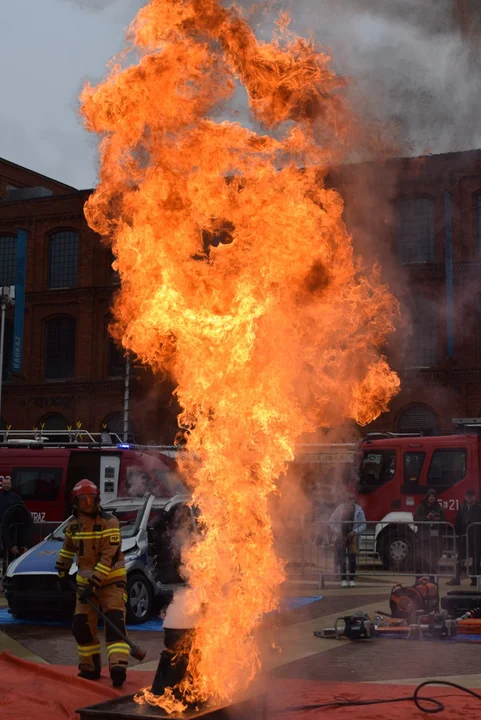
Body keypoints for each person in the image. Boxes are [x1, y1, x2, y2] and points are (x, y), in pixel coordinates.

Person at [56, 479, 129, 687]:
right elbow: (68, 549)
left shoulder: (110, 522)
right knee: (81, 625)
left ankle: (118, 668)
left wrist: (94, 583)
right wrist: (61, 570)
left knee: (114, 622)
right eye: (83, 500)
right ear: (75, 502)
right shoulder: (73, 525)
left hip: (111, 582)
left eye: (91, 499)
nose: (88, 504)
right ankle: (90, 667)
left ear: (97, 499)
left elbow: (109, 556)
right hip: (85, 586)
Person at [329, 493, 366, 588]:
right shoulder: (339, 509)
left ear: (354, 500)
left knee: (352, 559)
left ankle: (352, 579)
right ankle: (343, 579)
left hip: (353, 537)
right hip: (341, 537)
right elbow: (331, 521)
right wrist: (337, 532)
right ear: (345, 500)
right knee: (342, 558)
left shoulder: (359, 510)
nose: (350, 501)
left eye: (352, 499)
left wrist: (355, 531)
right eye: (348, 499)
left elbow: (364, 524)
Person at [448, 489, 481, 587]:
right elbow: (458, 521)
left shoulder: (479, 507)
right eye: (468, 495)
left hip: (476, 537)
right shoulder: (462, 508)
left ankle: (474, 580)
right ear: (465, 496)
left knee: (476, 559)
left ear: (475, 497)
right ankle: (456, 579)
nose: (470, 497)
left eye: (471, 495)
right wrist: (458, 534)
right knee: (460, 558)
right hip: (464, 537)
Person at [414, 489, 446, 579]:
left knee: (432, 558)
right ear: (427, 497)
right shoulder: (421, 507)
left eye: (433, 496)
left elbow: (444, 521)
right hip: (422, 535)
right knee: (419, 558)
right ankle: (418, 579)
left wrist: (438, 520)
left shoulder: (438, 508)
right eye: (430, 496)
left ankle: (432, 580)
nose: (432, 498)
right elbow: (416, 519)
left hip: (434, 535)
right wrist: (426, 518)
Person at [0, 478, 24, 579]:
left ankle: (11, 575)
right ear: (2, 484)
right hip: (1, 528)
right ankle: (3, 575)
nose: (6, 485)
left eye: (8, 483)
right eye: (4, 483)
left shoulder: (16, 497)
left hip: (13, 530)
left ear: (11, 484)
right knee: (2, 553)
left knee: (11, 553)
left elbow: (22, 510)